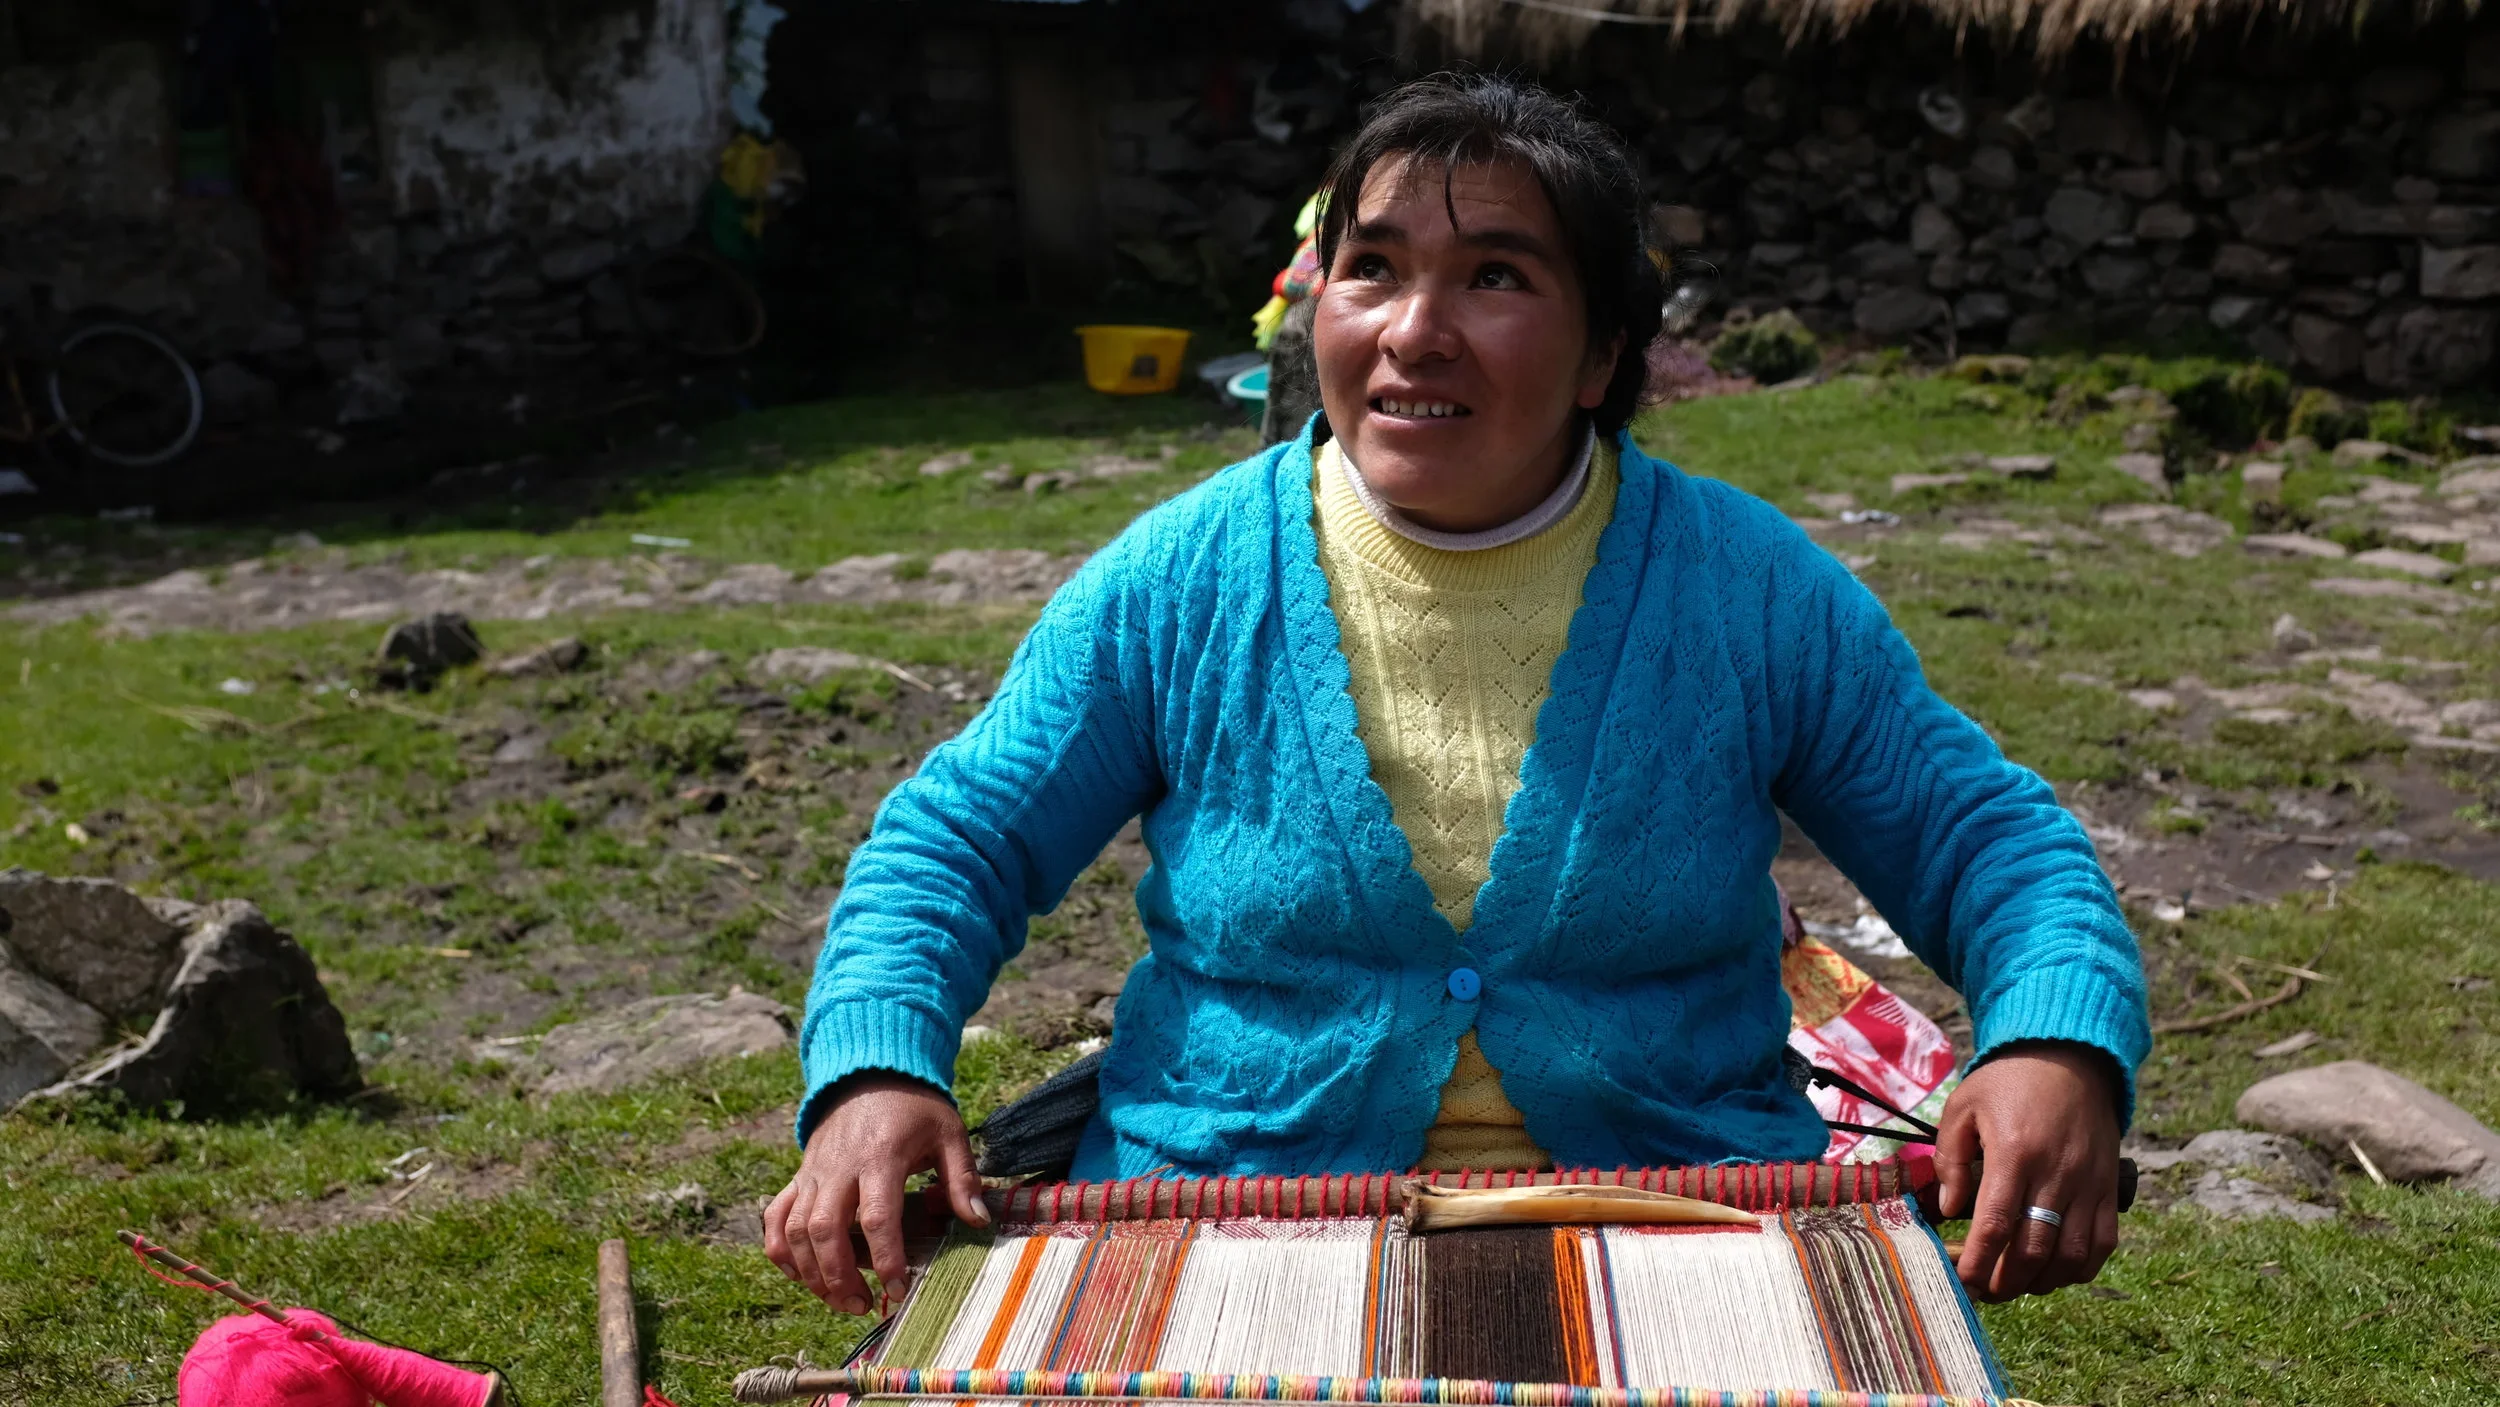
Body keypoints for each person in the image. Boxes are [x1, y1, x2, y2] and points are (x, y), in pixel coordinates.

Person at [766, 75, 2148, 1321]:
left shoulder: (1750, 591)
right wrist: (877, 1073)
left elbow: (1991, 841)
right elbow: (957, 836)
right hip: (1217, 1213)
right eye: (1370, 269)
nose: (1414, 332)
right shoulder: (1183, 579)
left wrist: (2057, 1042)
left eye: (1495, 275)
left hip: (1684, 1221)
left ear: (1605, 355)